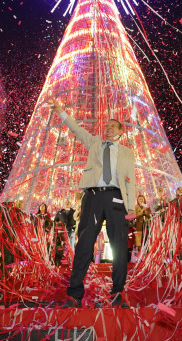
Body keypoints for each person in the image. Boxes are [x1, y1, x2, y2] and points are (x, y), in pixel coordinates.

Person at [49, 98, 136, 309]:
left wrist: (131, 209)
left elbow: (130, 181)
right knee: (85, 244)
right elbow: (77, 130)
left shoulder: (127, 153)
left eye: (113, 126)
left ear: (121, 132)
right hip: (93, 197)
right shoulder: (95, 143)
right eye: (107, 125)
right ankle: (74, 294)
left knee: (119, 246)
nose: (108, 127)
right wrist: (61, 111)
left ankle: (117, 293)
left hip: (117, 199)